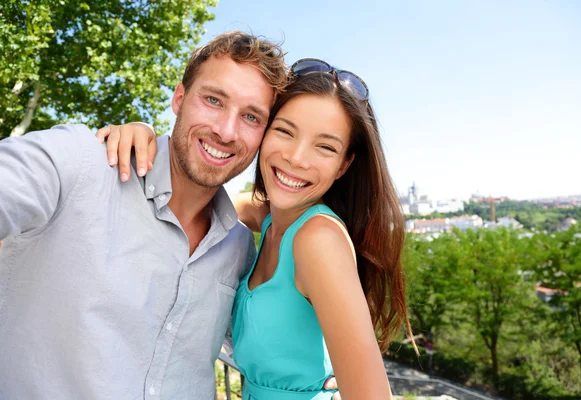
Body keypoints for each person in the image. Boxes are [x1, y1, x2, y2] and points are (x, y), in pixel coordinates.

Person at [101, 58, 416, 399]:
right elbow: (198, 198)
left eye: (325, 147)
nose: (297, 157)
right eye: (284, 131)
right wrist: (144, 138)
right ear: (262, 132)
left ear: (344, 165)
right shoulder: (270, 219)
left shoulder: (317, 239)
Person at [0, 31, 290, 400]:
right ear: (179, 97)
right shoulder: (79, 163)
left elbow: (267, 348)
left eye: (251, 116)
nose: (226, 130)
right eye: (214, 99)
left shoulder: (239, 249)